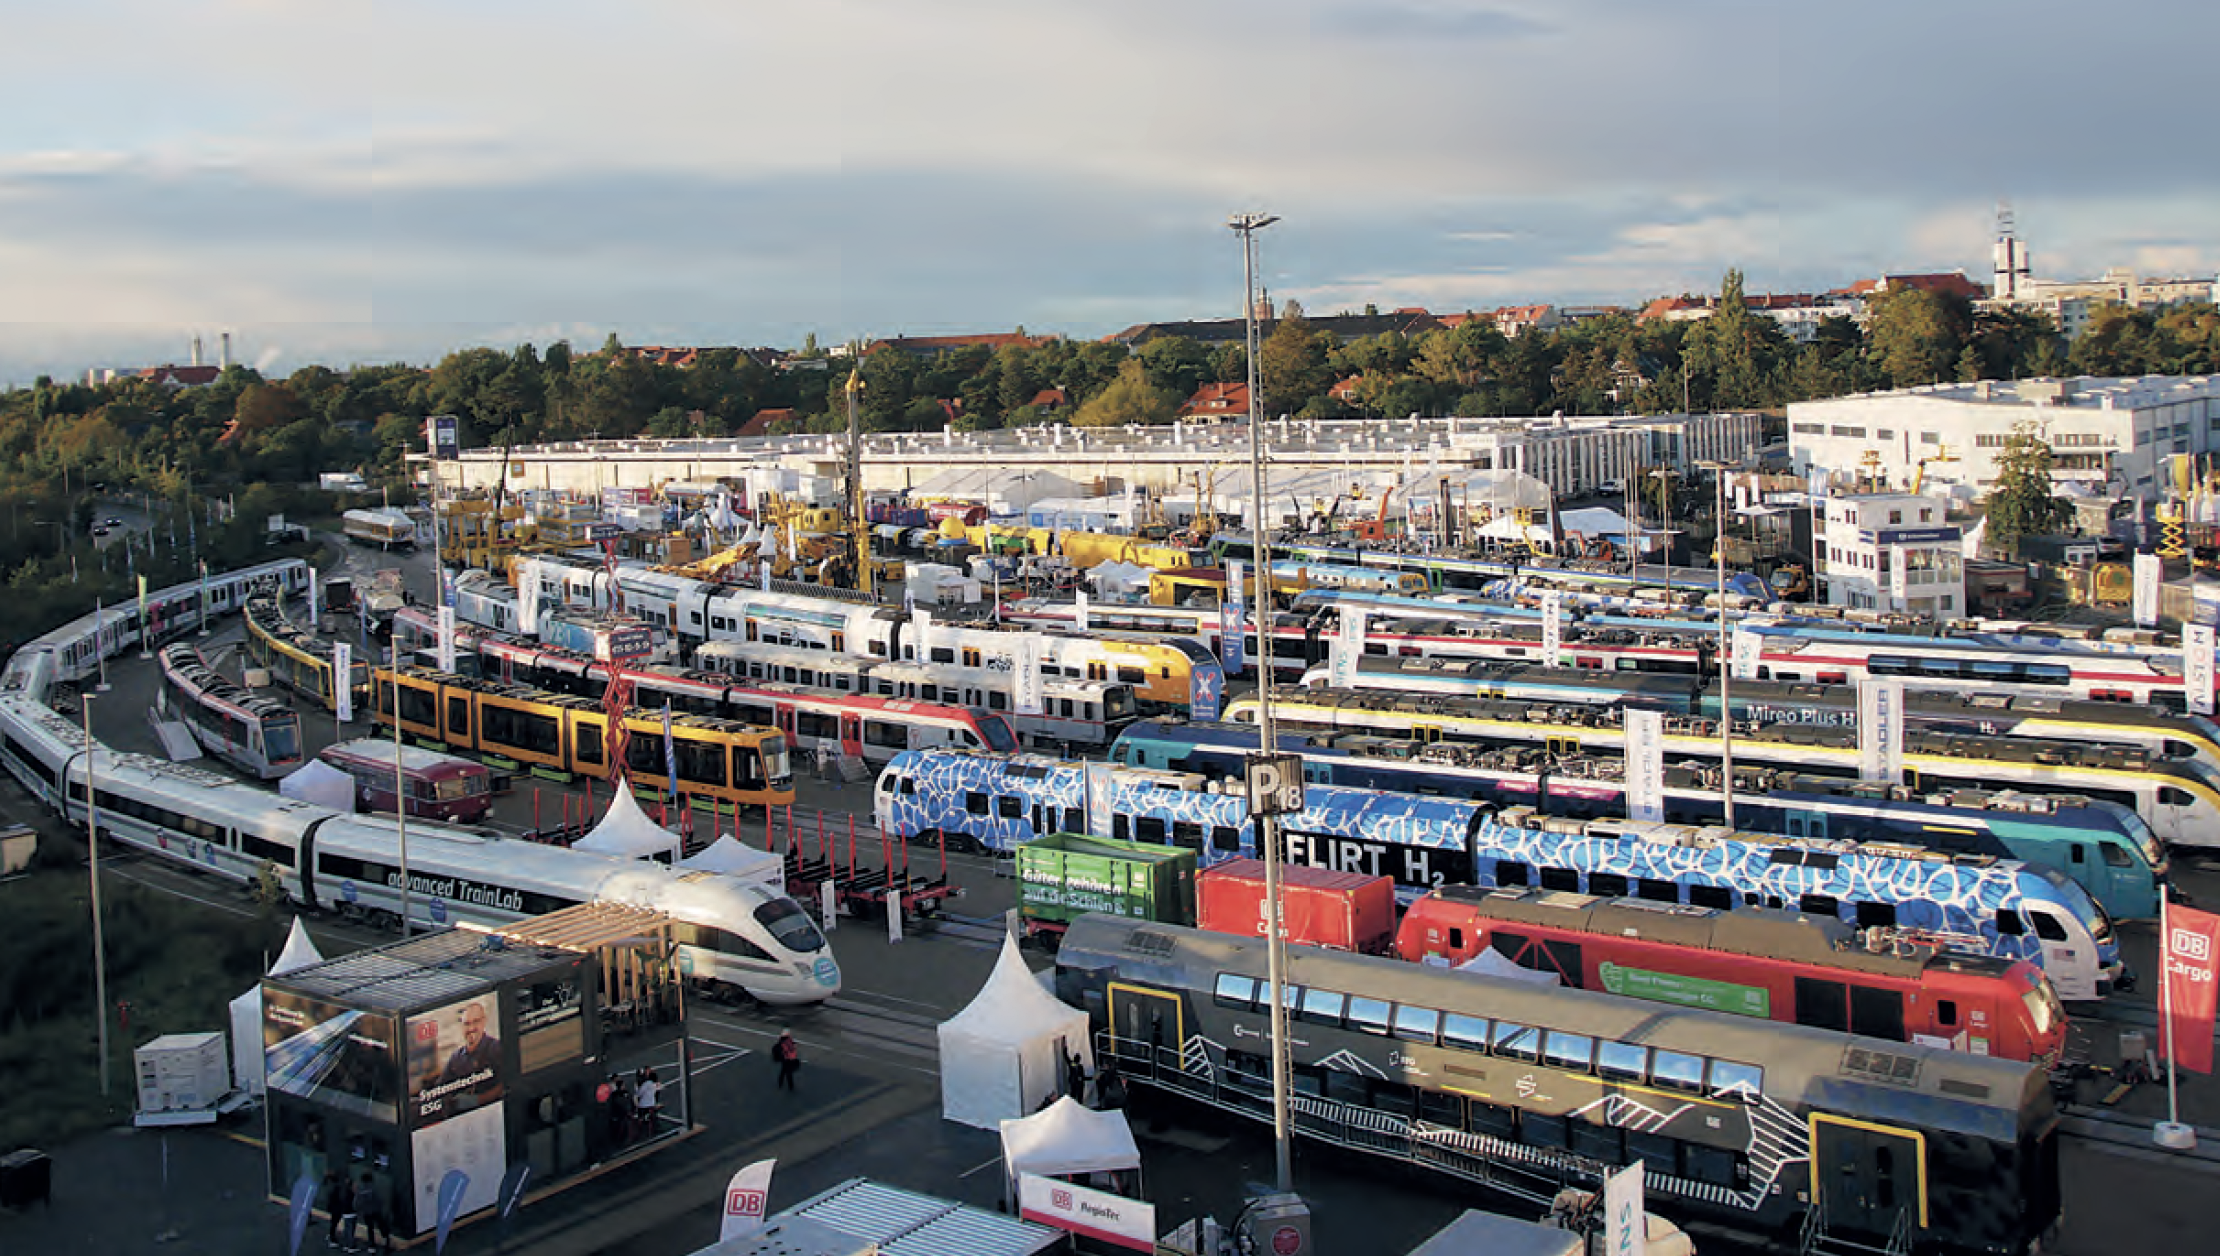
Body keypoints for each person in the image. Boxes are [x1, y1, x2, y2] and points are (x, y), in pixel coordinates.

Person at [437, 1000, 503, 1108]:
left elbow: (509, 1082)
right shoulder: (456, 1057)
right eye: (467, 1024)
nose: (471, 1028)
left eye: (476, 1021)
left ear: (484, 1021)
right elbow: (439, 1088)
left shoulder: (496, 1048)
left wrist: (479, 1100)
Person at [320, 1168, 349, 1249]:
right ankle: (332, 1239)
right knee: (334, 1222)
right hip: (336, 1207)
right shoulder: (335, 1187)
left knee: (334, 1222)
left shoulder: (328, 1185)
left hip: (332, 1207)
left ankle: (331, 1235)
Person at [634, 1067, 661, 1139]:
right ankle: (652, 1123)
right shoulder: (654, 1084)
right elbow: (657, 1090)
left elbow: (638, 1094)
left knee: (638, 1105)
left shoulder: (645, 1084)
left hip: (644, 1105)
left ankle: (640, 1123)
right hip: (651, 1104)